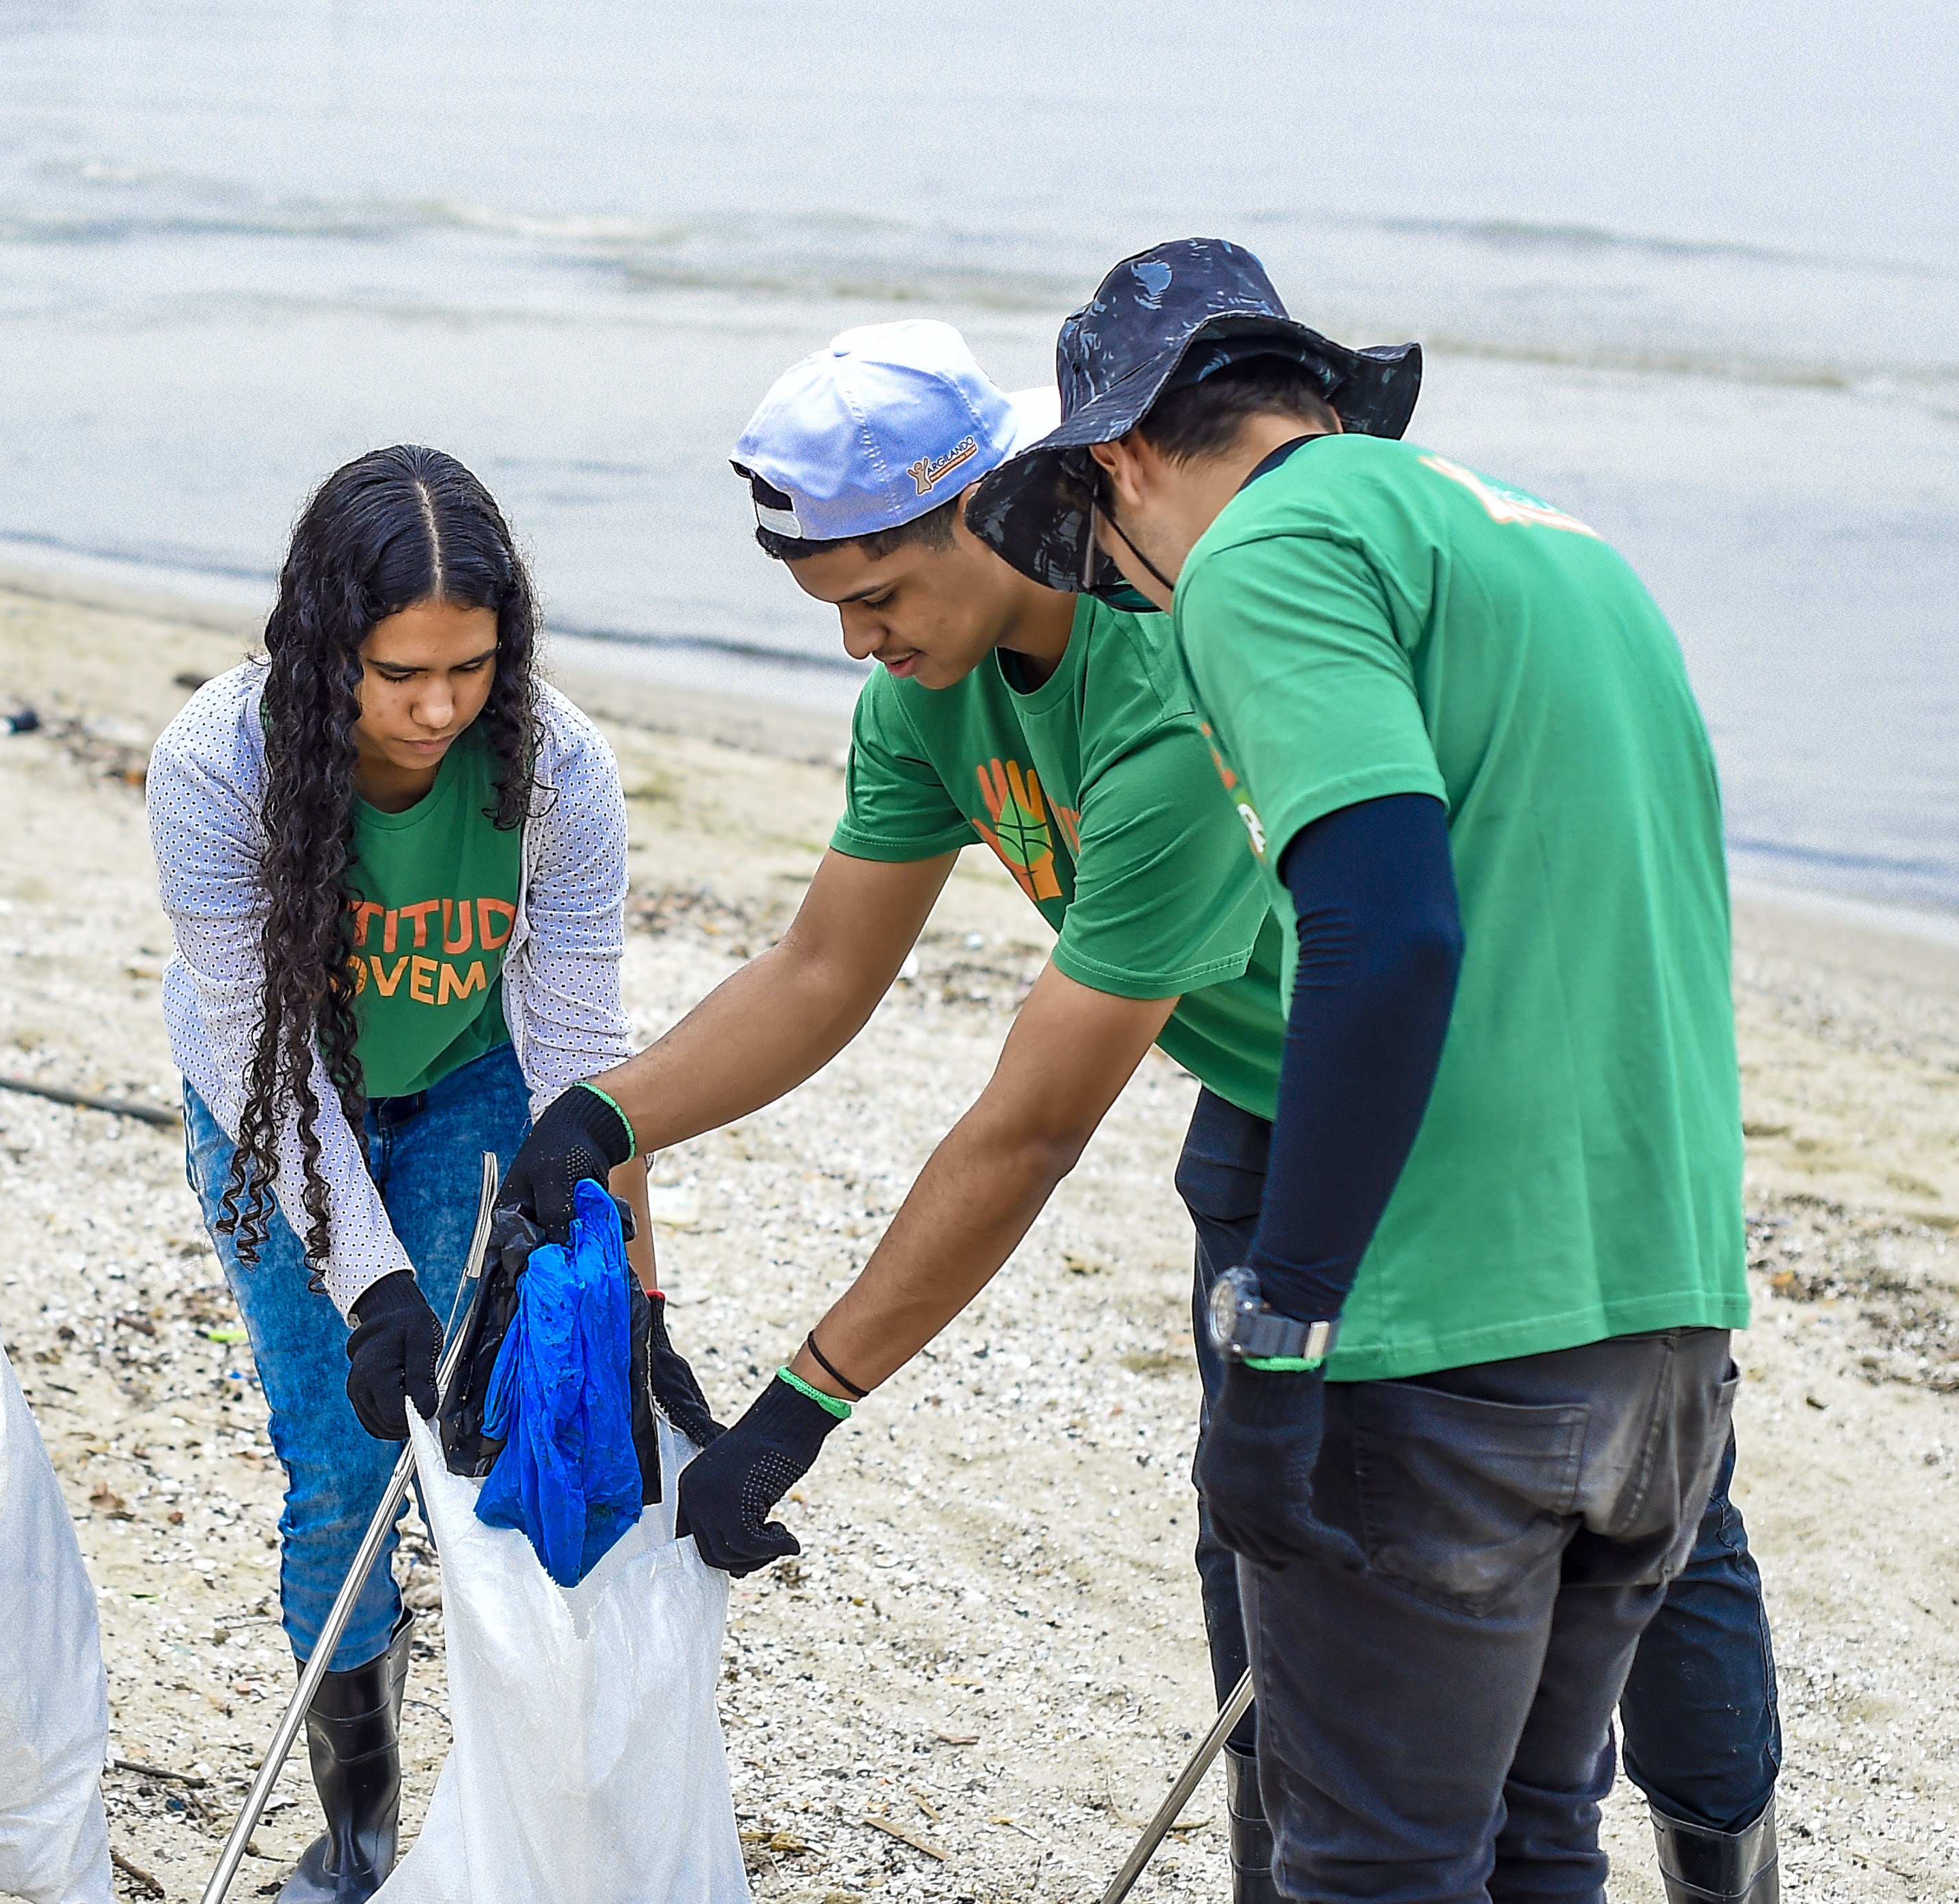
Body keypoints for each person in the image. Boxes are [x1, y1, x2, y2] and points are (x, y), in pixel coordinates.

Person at [498, 317, 1779, 1904]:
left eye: (882, 599)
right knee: (1266, 1566)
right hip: (1259, 1102)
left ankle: (1718, 1854)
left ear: (990, 506)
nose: (861, 647)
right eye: (832, 613)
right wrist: (601, 1123)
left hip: (1436, 1116)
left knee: (1628, 1536)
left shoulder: (1172, 674)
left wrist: (801, 1405)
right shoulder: (928, 695)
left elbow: (1032, 1126)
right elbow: (825, 969)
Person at [961, 238, 1750, 1904]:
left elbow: (1384, 933)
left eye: (1115, 565)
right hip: (1667, 1337)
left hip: (1443, 1346)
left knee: (1375, 1871)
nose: (1139, 603)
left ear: (1119, 464)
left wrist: (1281, 1324)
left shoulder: (1265, 549)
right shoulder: (1563, 546)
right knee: (1539, 1847)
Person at [146, 444, 709, 1904]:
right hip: (270, 1097)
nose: (440, 707)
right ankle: (361, 1837)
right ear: (322, 643)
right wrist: (372, 1278)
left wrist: (634, 1289)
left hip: (471, 1084)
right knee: (341, 1463)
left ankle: (515, 1814)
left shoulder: (555, 765)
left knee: (500, 1434)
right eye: (400, 672)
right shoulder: (219, 766)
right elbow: (268, 1054)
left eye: (471, 668)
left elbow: (585, 1050)